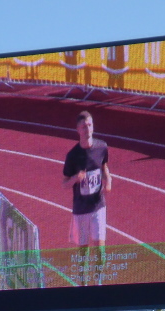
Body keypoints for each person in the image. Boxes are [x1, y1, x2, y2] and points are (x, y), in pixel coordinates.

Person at [62, 111, 112, 285]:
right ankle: (82, 284)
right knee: (83, 253)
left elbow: (104, 166)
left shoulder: (101, 147)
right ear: (78, 130)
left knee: (100, 251)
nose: (87, 129)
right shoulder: (72, 155)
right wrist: (76, 178)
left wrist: (108, 180)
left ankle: (98, 283)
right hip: (81, 209)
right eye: (83, 127)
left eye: (90, 125)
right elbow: (64, 183)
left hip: (98, 205)